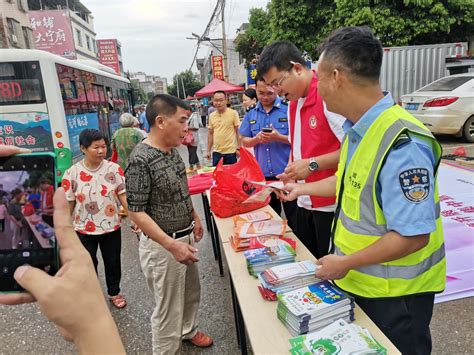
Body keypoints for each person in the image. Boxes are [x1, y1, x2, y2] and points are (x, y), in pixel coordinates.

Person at [284, 26, 445, 355]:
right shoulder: (359, 132)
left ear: (337, 77)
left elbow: (413, 235)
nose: (318, 88)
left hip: (397, 298)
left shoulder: (402, 142)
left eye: (320, 76)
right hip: (364, 285)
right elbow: (346, 184)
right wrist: (296, 189)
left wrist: (345, 263)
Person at [126, 94, 212, 354]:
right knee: (167, 311)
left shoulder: (174, 153)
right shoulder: (140, 159)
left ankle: (188, 331)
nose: (187, 127)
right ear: (161, 121)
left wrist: (195, 218)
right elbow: (136, 211)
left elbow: (181, 190)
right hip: (163, 247)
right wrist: (170, 244)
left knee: (190, 293)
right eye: (183, 120)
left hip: (183, 238)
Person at [257, 41, 346, 259]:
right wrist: (289, 176)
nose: (276, 91)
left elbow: (356, 149)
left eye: (278, 82)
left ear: (297, 68)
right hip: (303, 200)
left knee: (328, 269)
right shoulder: (294, 102)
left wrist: (313, 164)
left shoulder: (326, 96)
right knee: (308, 263)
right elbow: (297, 148)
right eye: (271, 87)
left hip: (330, 205)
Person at [61, 129, 129, 309]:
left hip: (111, 227)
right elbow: (69, 202)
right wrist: (63, 228)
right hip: (83, 228)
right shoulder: (71, 173)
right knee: (87, 264)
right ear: (83, 148)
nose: (101, 151)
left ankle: (114, 292)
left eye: (104, 146)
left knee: (113, 261)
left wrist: (136, 219)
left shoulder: (114, 169)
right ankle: (90, 295)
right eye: (96, 147)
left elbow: (123, 196)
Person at [239, 76, 297, 230]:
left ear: (277, 88)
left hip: (289, 174)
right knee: (269, 219)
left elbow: (299, 141)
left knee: (296, 219)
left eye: (269, 93)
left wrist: (278, 137)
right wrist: (256, 139)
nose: (265, 97)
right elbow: (244, 140)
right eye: (260, 93)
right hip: (264, 177)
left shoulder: (288, 108)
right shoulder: (251, 113)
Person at [205, 91, 241, 166]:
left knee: (231, 176)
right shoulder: (211, 116)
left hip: (230, 152)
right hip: (217, 153)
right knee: (217, 176)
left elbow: (238, 132)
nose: (218, 103)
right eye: (216, 100)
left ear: (226, 100)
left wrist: (239, 148)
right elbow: (210, 133)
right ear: (213, 101)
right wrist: (208, 150)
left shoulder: (233, 113)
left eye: (221, 100)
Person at [186, 110, 203, 174]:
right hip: (189, 138)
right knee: (192, 152)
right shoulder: (189, 117)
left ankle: (191, 167)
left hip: (193, 138)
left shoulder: (194, 117)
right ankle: (198, 165)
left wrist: (188, 128)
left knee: (191, 152)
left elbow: (196, 127)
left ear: (189, 110)